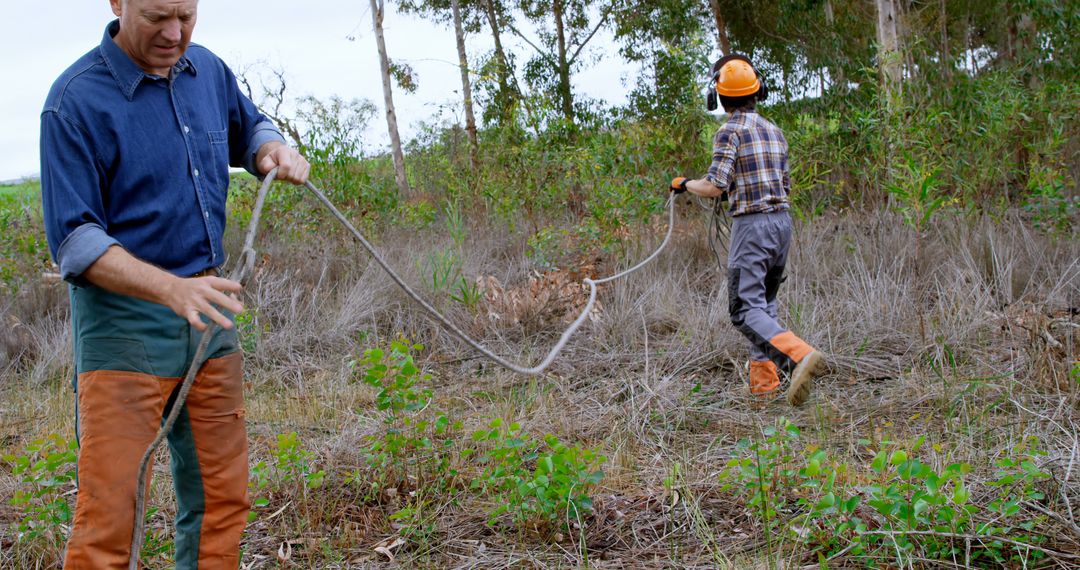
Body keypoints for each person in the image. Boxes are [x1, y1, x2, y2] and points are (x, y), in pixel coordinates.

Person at [40, 1, 309, 567]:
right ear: (118, 3)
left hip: (210, 313)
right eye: (158, 16)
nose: (174, 33)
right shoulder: (73, 102)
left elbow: (250, 126)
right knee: (110, 513)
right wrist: (170, 289)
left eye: (186, 15)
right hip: (123, 325)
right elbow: (75, 241)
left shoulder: (206, 70)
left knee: (222, 500)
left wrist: (270, 147)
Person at [670, 54, 824, 406]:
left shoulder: (729, 131)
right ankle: (765, 390)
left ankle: (798, 357)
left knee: (743, 309)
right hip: (781, 225)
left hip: (752, 228)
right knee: (763, 306)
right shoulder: (775, 131)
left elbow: (714, 186)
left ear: (718, 98)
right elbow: (782, 184)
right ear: (758, 91)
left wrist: (684, 183)